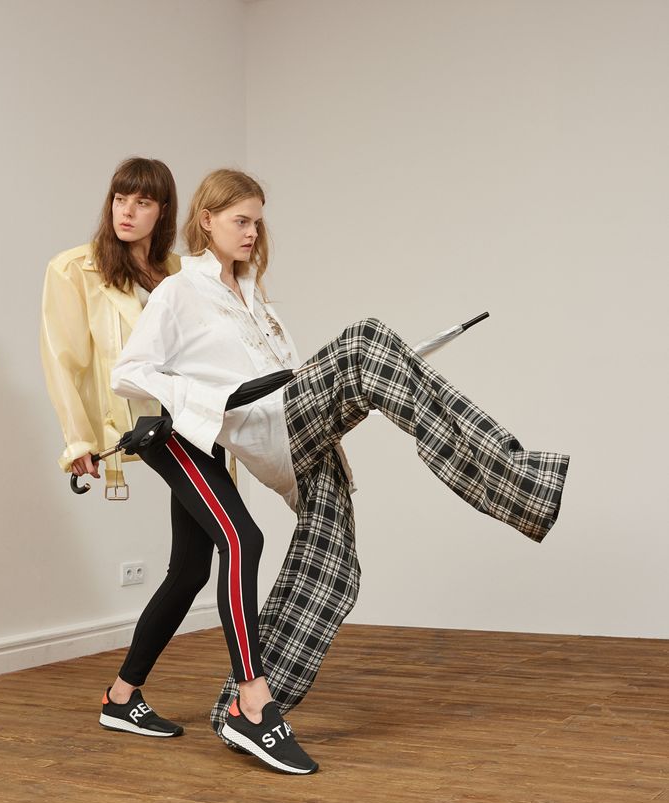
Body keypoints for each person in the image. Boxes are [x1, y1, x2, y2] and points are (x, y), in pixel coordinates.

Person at [111, 168, 569, 771]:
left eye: (257, 221)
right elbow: (130, 371)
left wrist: (350, 406)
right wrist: (216, 401)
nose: (252, 232)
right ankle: (520, 480)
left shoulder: (258, 300)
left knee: (333, 570)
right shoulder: (180, 292)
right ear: (207, 221)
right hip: (266, 428)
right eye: (240, 220)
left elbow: (300, 379)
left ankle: (240, 709)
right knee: (366, 339)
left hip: (301, 433)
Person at [41, 157, 193, 739]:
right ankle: (251, 699)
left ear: (163, 212)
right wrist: (77, 438)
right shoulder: (73, 269)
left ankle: (122, 696)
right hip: (144, 429)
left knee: (192, 567)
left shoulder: (177, 272)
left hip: (194, 426)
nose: (127, 212)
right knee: (239, 543)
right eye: (120, 199)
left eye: (143, 202)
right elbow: (64, 359)